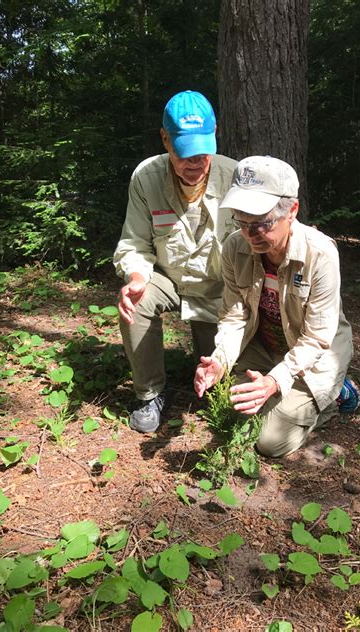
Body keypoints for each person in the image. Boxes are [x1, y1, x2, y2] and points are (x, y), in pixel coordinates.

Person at [194, 155, 360, 458]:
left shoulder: (320, 254)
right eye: (241, 221)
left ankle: (335, 394)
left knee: (270, 443)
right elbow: (234, 316)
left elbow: (317, 338)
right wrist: (220, 359)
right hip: (264, 346)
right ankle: (284, 393)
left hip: (314, 355)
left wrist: (275, 380)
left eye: (261, 223)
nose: (249, 234)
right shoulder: (234, 247)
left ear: (292, 210)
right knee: (234, 408)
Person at [114, 90, 237, 434]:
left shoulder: (235, 177)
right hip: (167, 278)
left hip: (218, 289)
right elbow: (135, 242)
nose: (195, 163)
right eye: (185, 153)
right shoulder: (146, 177)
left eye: (203, 152)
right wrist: (137, 277)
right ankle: (149, 392)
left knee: (214, 389)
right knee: (136, 299)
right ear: (165, 139)